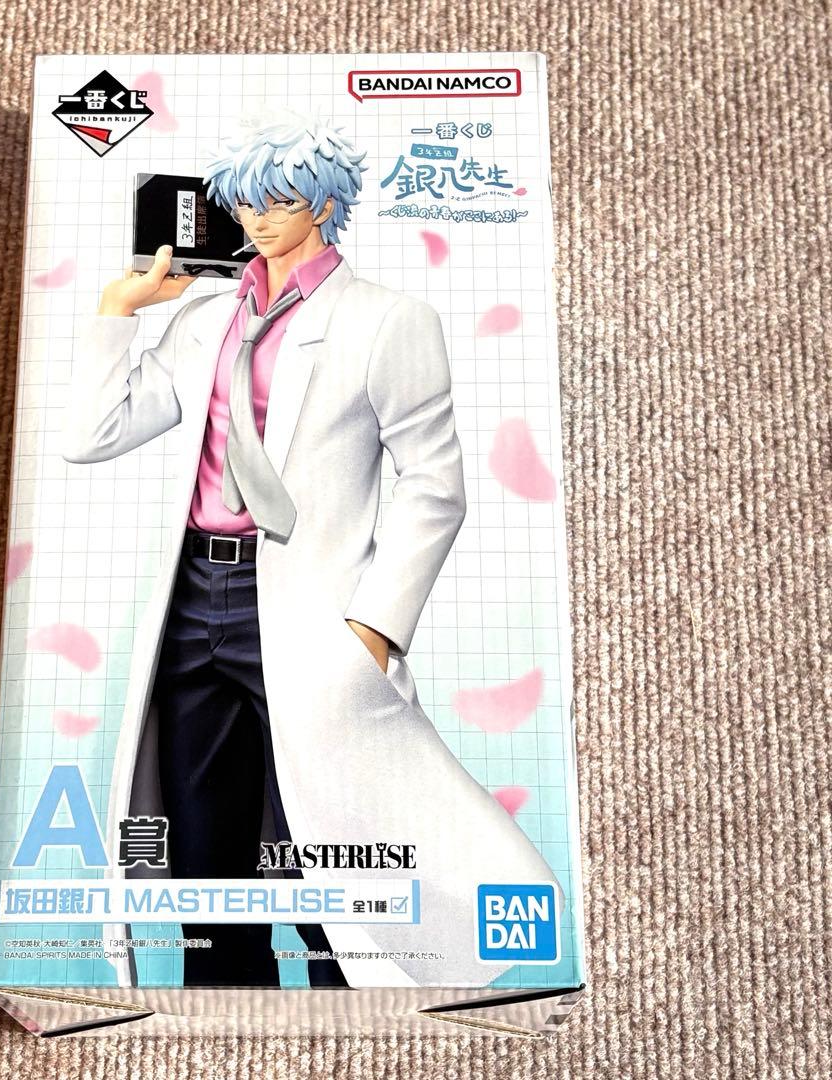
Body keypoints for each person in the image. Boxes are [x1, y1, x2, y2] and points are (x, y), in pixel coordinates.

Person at [62, 116, 557, 990]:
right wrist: (118, 314)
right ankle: (225, 1005)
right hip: (194, 598)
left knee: (326, 849)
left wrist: (375, 629)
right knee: (207, 855)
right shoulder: (206, 320)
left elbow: (433, 485)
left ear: (325, 206)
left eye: (281, 201)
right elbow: (92, 435)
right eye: (246, 203)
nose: (259, 220)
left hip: (308, 608)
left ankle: (370, 1001)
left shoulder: (387, 320)